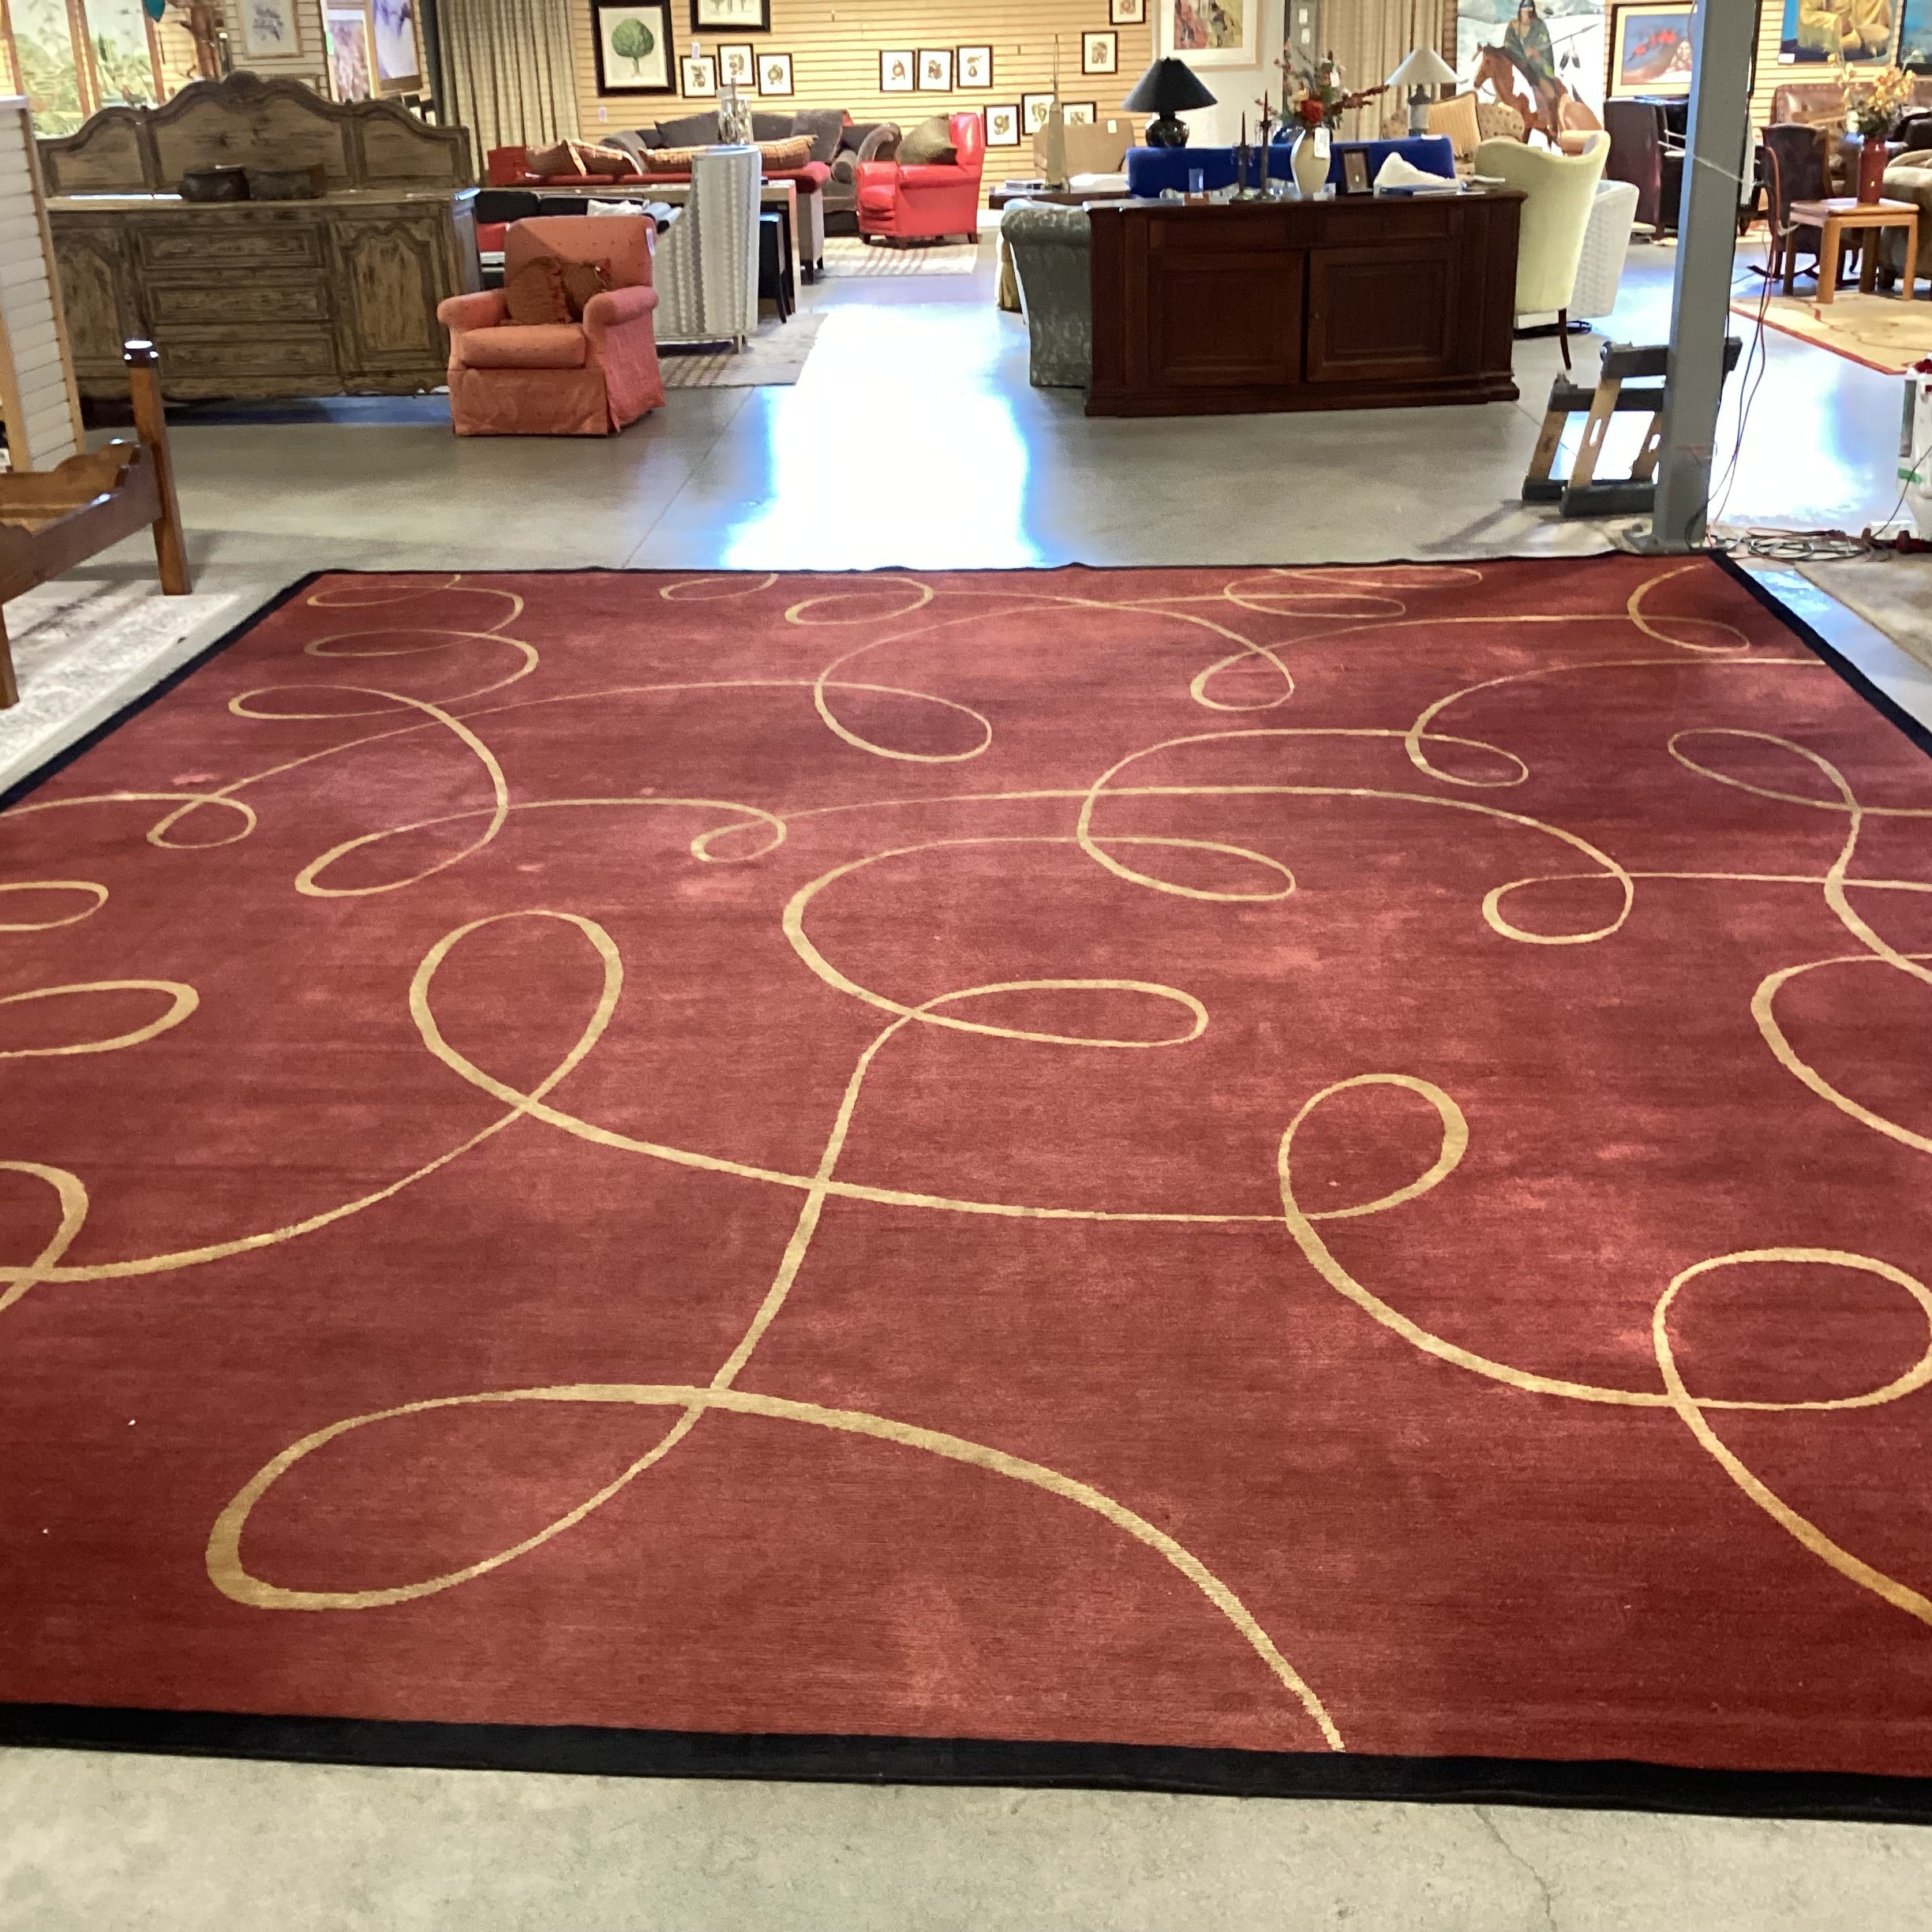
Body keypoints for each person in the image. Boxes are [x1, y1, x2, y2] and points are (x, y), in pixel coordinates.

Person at [1502, 0, 1561, 118]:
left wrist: (1535, 51)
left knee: (1550, 94)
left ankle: (1547, 119)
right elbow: (1508, 45)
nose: (1527, 14)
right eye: (1524, 10)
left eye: (1530, 11)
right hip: (1517, 65)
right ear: (1520, 11)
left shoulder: (1539, 26)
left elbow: (1545, 46)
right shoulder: (1513, 26)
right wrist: (1523, 55)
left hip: (1537, 69)